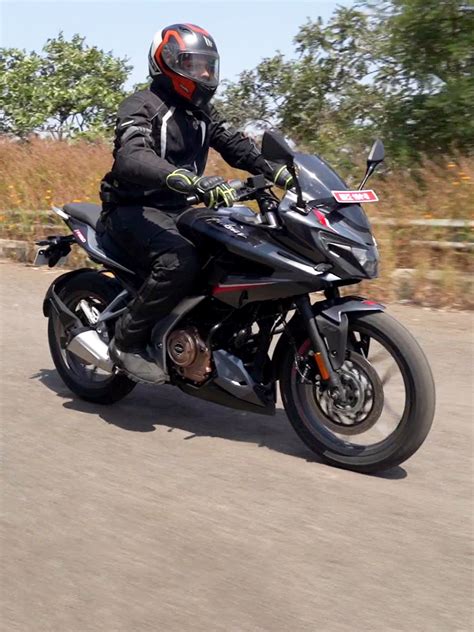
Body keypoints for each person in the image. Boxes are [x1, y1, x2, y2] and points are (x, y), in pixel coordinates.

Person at [100, 23, 293, 383]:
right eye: (194, 65)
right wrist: (188, 179)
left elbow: (237, 147)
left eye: (208, 65)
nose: (204, 74)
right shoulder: (142, 105)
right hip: (131, 209)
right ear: (167, 62)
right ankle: (127, 341)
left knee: (241, 249)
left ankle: (213, 334)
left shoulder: (202, 112)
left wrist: (283, 174)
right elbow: (131, 155)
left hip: (180, 209)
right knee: (179, 261)